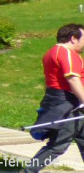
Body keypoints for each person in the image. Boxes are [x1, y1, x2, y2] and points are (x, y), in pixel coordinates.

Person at [24, 23, 84, 172]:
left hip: (63, 102)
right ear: (73, 38)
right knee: (57, 145)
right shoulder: (67, 53)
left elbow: (48, 82)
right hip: (69, 106)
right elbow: (73, 79)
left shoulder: (51, 53)